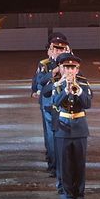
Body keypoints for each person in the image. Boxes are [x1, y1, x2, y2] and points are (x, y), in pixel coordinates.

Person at [45, 55, 92, 199]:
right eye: (67, 67)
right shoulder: (57, 85)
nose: (70, 70)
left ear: (77, 69)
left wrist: (78, 92)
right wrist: (65, 90)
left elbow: (87, 104)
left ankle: (79, 196)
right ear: (63, 69)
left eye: (73, 68)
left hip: (79, 128)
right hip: (63, 127)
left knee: (79, 164)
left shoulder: (83, 84)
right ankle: (68, 196)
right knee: (65, 165)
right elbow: (55, 103)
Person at [31, 35, 70, 182]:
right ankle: (54, 165)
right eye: (55, 49)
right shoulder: (46, 64)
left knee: (65, 137)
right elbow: (39, 80)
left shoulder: (70, 63)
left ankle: (64, 165)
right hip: (49, 104)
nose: (58, 52)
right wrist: (53, 73)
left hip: (66, 105)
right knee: (51, 137)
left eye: (61, 49)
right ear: (51, 50)